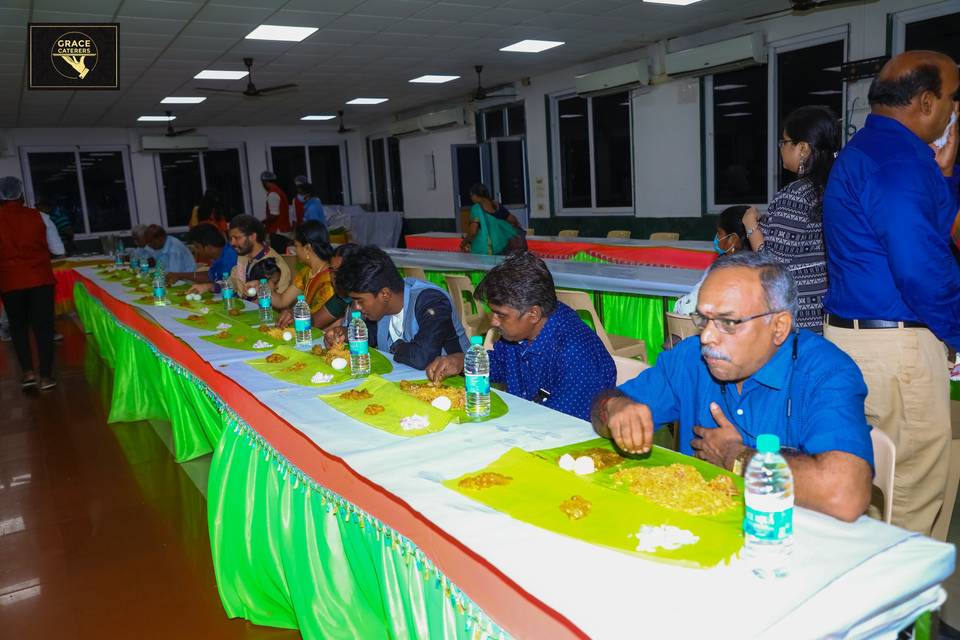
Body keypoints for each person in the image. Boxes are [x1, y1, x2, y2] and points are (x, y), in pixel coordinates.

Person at [592, 252, 874, 522]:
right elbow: (600, 411)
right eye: (703, 319)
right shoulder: (690, 359)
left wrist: (736, 457)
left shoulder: (825, 373)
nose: (707, 337)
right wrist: (615, 407)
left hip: (787, 542)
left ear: (778, 327)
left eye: (728, 322)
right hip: (693, 528)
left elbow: (844, 494)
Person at [822, 50, 960, 535]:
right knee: (913, 504)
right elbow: (922, 269)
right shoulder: (900, 163)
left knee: (875, 494)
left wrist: (943, 172)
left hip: (856, 343)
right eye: (952, 98)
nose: (953, 111)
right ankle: (902, 611)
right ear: (926, 102)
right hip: (897, 351)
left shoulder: (866, 152)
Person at [427, 252, 616, 421]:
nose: (493, 322)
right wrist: (462, 361)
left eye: (500, 315)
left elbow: (560, 424)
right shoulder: (519, 333)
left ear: (533, 314)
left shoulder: (575, 353)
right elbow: (502, 364)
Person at [741, 106, 839, 334]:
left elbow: (773, 265)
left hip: (796, 314)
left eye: (785, 142)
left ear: (803, 148)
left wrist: (750, 226)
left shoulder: (795, 195)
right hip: (823, 309)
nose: (781, 149)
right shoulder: (832, 188)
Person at [325, 246, 469, 370]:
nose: (356, 307)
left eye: (360, 301)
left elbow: (422, 357)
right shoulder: (385, 307)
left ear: (384, 294)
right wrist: (346, 334)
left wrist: (396, 346)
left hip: (458, 385)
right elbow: (373, 335)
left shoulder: (432, 302)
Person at [0, 176, 57, 390]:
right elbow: (58, 249)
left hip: (10, 281)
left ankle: (28, 373)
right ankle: (46, 376)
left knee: (18, 328)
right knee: (43, 328)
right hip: (40, 279)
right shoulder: (40, 216)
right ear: (21, 195)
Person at [674, 205, 750, 316]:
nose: (716, 238)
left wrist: (681, 302)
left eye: (719, 233)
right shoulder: (760, 268)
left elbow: (688, 309)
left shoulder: (721, 270)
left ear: (732, 239)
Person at [269, 221, 335, 328]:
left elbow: (316, 319)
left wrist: (292, 313)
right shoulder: (307, 271)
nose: (295, 251)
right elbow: (282, 301)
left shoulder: (329, 279)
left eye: (296, 246)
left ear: (307, 248)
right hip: (305, 328)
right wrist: (261, 286)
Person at [226, 214, 291, 297]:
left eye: (237, 238)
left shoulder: (276, 266)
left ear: (253, 237)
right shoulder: (243, 256)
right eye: (231, 238)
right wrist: (217, 286)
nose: (232, 243)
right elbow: (236, 280)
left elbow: (280, 301)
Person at [460, 183, 523, 255]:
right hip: (501, 246)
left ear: (477, 195)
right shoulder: (496, 205)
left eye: (471, 195)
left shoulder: (476, 208)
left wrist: (463, 244)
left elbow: (473, 232)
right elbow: (512, 219)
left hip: (483, 251)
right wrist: (517, 228)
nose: (471, 198)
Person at [310, 243, 360, 331]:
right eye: (332, 270)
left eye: (339, 272)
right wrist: (296, 315)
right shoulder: (343, 296)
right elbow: (315, 322)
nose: (334, 277)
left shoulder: (368, 299)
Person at [168, 223, 237, 287]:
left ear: (209, 247)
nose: (196, 251)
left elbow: (226, 285)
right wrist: (179, 275)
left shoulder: (230, 258)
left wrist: (208, 287)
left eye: (197, 247)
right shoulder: (222, 253)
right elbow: (210, 276)